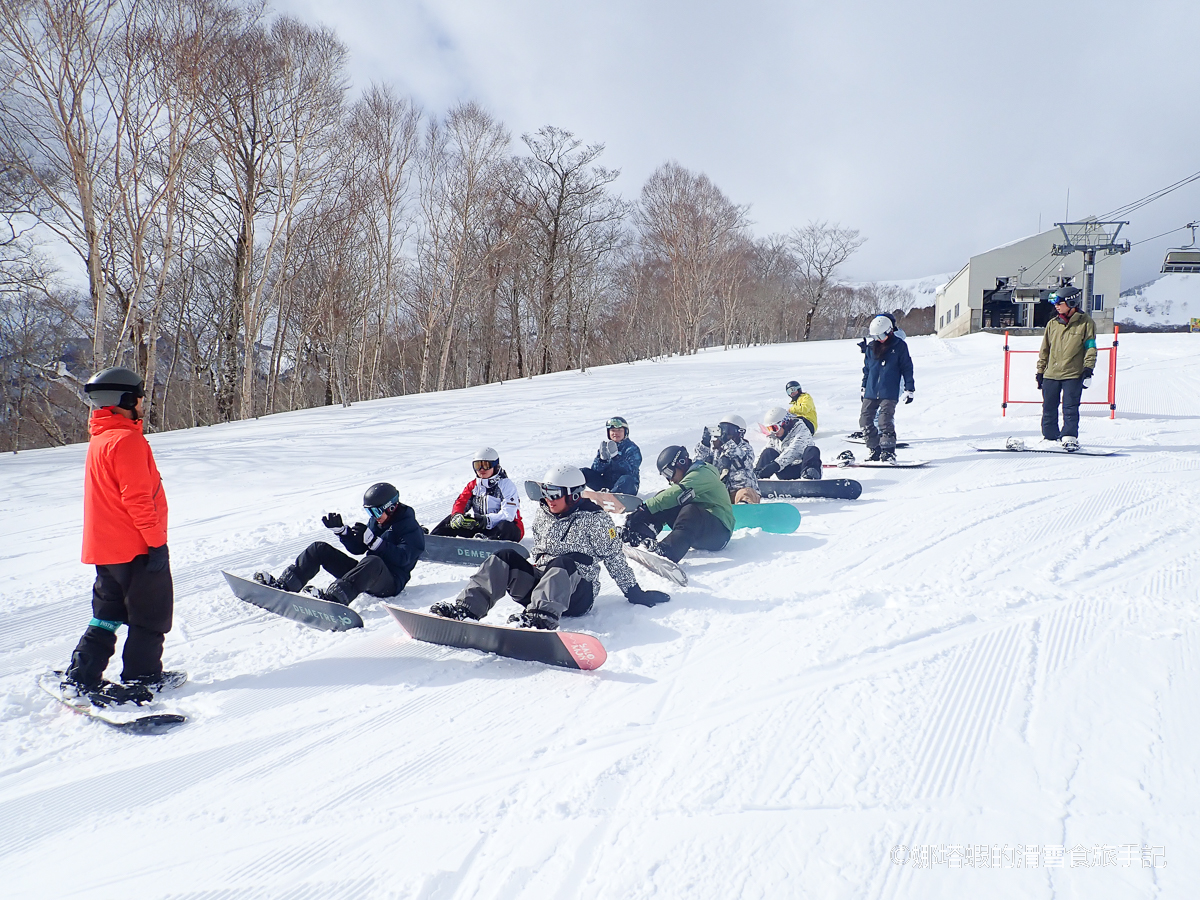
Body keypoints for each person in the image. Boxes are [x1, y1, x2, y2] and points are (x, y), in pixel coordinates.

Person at [62, 367, 180, 706]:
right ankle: (143, 677)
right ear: (126, 400)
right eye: (140, 397)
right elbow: (138, 499)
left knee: (108, 612)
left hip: (106, 548)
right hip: (136, 547)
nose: (143, 403)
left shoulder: (101, 438)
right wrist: (157, 543)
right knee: (150, 615)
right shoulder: (127, 440)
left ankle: (83, 672)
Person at [430, 464, 667, 629]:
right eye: (546, 492)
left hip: (576, 595)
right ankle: (467, 609)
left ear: (574, 495)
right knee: (504, 557)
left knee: (562, 562)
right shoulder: (544, 514)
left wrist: (634, 592)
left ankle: (540, 619)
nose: (548, 499)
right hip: (542, 586)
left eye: (554, 494)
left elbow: (614, 557)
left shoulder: (596, 520)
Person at [255, 482, 424, 606]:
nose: (373, 516)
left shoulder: (410, 527)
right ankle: (287, 584)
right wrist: (343, 532)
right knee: (319, 548)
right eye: (369, 511)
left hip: (391, 583)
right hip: (366, 574)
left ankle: (335, 599)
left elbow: (404, 559)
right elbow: (359, 550)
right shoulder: (377, 521)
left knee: (374, 561)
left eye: (376, 511)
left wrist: (374, 542)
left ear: (391, 507)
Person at [622, 446, 734, 563]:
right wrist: (639, 517)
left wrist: (646, 508)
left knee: (682, 505)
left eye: (669, 472)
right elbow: (668, 499)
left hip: (720, 533)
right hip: (699, 531)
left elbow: (678, 492)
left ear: (681, 462)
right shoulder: (688, 478)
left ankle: (667, 552)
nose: (670, 479)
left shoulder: (703, 473)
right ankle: (639, 534)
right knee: (666, 502)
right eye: (666, 476)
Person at [1036, 284, 1096, 451]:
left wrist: (1088, 369)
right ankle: (1049, 437)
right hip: (1051, 374)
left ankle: (1069, 437)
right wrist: (1040, 371)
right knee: (1048, 408)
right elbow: (1045, 349)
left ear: (1071, 303)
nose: (1056, 306)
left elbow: (1090, 347)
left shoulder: (1086, 323)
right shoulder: (1052, 324)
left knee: (1070, 408)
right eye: (1055, 303)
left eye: (1059, 303)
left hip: (1073, 374)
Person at [430, 447, 523, 542]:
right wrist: (457, 514)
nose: (481, 469)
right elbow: (461, 502)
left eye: (486, 465)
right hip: (481, 528)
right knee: (452, 520)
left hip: (507, 528)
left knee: (505, 525)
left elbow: (508, 515)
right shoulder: (473, 485)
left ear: (495, 466)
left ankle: (489, 542)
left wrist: (484, 520)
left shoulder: (506, 485)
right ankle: (431, 541)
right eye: (478, 465)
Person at [859, 314, 915, 462]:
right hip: (871, 390)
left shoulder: (899, 346)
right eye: (875, 336)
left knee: (885, 420)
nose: (879, 338)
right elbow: (867, 369)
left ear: (890, 331)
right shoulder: (871, 347)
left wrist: (910, 389)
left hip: (889, 391)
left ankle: (888, 451)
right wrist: (864, 387)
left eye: (882, 335)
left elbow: (907, 368)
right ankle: (874, 449)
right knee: (864, 421)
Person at [694, 414, 760, 503]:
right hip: (721, 492)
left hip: (739, 490)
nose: (725, 434)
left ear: (740, 433)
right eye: (722, 429)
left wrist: (727, 443)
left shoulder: (745, 448)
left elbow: (745, 462)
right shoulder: (716, 450)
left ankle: (745, 508)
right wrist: (705, 445)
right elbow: (698, 465)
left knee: (746, 493)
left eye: (729, 431)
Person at [755, 407, 822, 480]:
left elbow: (794, 450)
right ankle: (758, 477)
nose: (773, 432)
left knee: (812, 450)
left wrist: (776, 465)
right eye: (769, 429)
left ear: (785, 423)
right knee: (768, 452)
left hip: (800, 468)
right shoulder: (775, 437)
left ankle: (810, 475)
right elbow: (763, 453)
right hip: (785, 471)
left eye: (774, 428)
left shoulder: (801, 430)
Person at [581, 416, 642, 495]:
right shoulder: (605, 447)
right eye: (613, 430)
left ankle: (611, 496)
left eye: (619, 430)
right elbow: (595, 470)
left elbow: (630, 471)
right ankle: (574, 496)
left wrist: (616, 458)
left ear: (625, 432)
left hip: (626, 486)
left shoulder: (632, 449)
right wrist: (602, 460)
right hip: (607, 484)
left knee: (627, 479)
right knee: (583, 472)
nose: (615, 433)